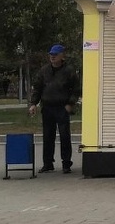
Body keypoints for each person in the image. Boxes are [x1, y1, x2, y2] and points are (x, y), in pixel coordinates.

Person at [29, 43, 80, 173]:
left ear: (62, 56)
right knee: (47, 136)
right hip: (47, 107)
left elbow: (76, 89)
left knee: (64, 136)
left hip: (62, 107)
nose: (53, 57)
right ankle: (48, 163)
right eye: (51, 55)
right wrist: (33, 103)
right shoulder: (44, 71)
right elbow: (38, 88)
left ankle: (66, 163)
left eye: (55, 55)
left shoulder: (69, 71)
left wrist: (70, 104)